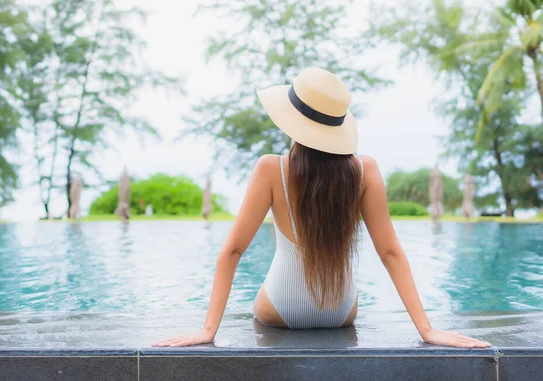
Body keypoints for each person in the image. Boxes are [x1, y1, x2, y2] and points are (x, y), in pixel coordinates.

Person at [154, 67, 490, 348]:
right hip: (341, 312)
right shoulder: (364, 170)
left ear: (291, 120)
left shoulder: (271, 169)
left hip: (279, 311)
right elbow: (390, 253)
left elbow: (232, 251)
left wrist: (208, 330)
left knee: (261, 288)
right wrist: (427, 331)